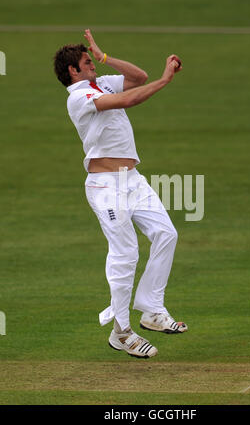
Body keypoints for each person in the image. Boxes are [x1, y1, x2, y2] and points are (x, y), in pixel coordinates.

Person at [54, 29, 187, 359]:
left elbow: (137, 77)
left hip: (133, 180)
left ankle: (151, 310)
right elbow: (131, 98)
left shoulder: (101, 83)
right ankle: (122, 333)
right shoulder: (78, 96)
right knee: (126, 254)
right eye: (87, 62)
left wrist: (103, 56)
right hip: (106, 187)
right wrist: (166, 80)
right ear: (74, 70)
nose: (93, 67)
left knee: (166, 234)